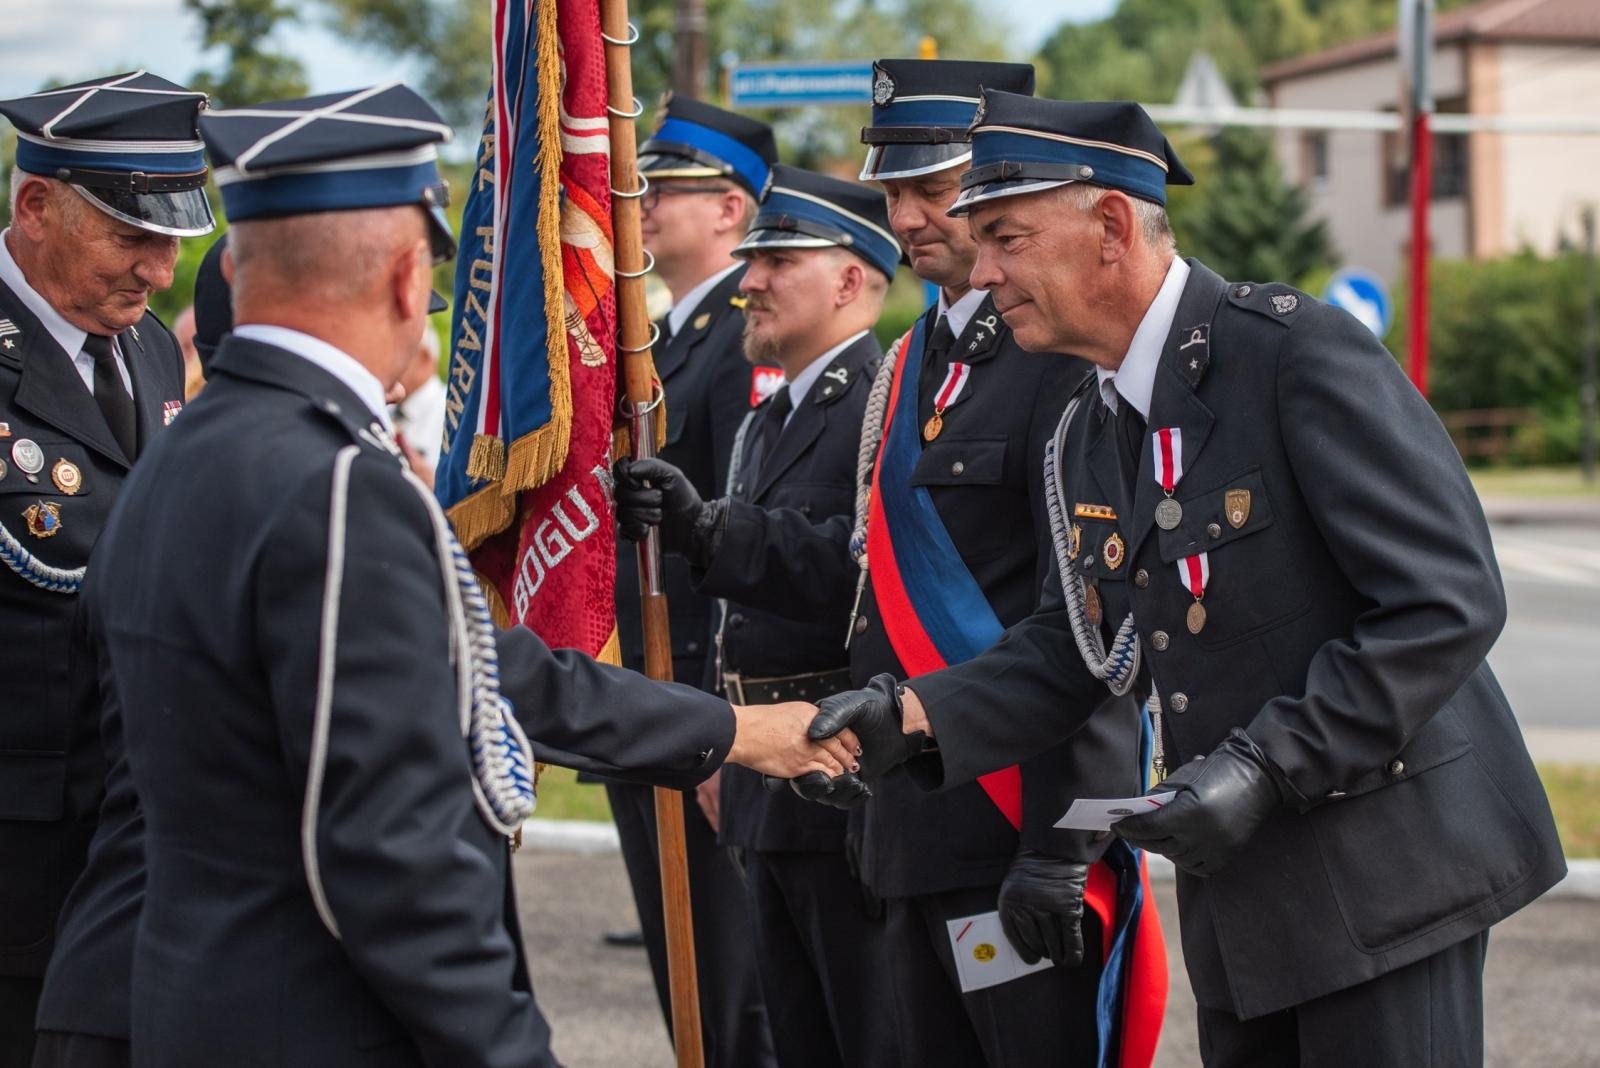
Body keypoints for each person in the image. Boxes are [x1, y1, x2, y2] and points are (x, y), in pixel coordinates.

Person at [59, 84, 852, 1068]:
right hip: (313, 1022)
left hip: (188, 1001)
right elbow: (396, 864)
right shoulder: (339, 485)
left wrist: (732, 731)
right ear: (404, 279)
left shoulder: (182, 449)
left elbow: (474, 667)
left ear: (234, 265)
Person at [804, 92, 1568, 1068]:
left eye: (1004, 236)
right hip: (1247, 897)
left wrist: (1263, 764)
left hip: (1386, 883)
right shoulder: (1091, 423)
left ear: (1111, 227)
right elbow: (1072, 650)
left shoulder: (1290, 353)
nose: (983, 270)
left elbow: (1446, 600)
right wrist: (908, 718)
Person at [616, 165, 899, 1068]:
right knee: (793, 1032)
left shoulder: (879, 399)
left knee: (863, 1035)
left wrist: (709, 530)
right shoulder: (770, 416)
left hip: (839, 775)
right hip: (763, 779)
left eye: (778, 261)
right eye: (752, 262)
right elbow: (736, 622)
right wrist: (720, 740)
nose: (748, 281)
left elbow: (856, 577)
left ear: (851, 279)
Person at [0, 72, 214, 1067]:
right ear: (34, 206)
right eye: (132, 237)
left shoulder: (149, 357)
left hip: (135, 844)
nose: (159, 272)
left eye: (171, 239)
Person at [603, 94, 781, 1068]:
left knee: (732, 989)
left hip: (702, 702)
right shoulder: (670, 340)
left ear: (728, 210)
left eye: (664, 192)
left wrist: (720, 724)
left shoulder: (740, 342)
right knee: (692, 992)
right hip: (652, 692)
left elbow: (742, 547)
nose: (642, 210)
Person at [392, 326, 446, 484]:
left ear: (425, 357)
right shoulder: (386, 407)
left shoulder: (452, 412)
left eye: (400, 353)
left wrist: (435, 488)